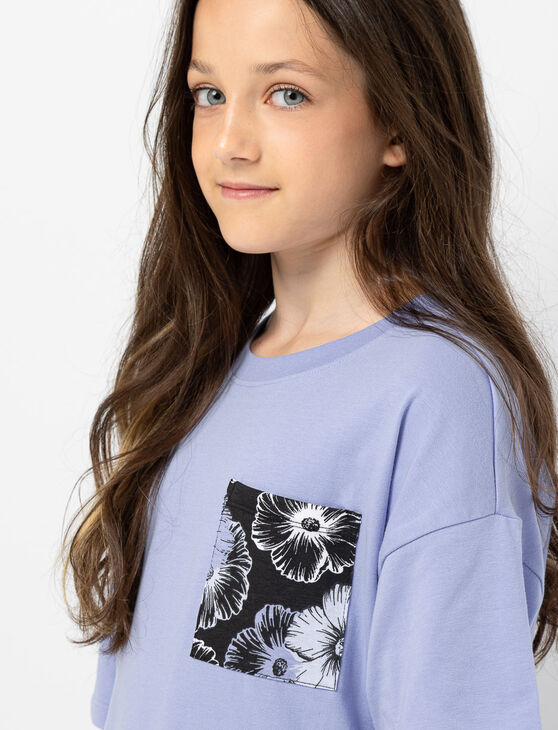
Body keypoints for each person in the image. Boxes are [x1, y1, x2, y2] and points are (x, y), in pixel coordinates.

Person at [57, 0, 558, 728]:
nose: (230, 142)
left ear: (399, 122)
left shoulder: (439, 394)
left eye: (286, 94)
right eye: (210, 93)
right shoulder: (196, 371)